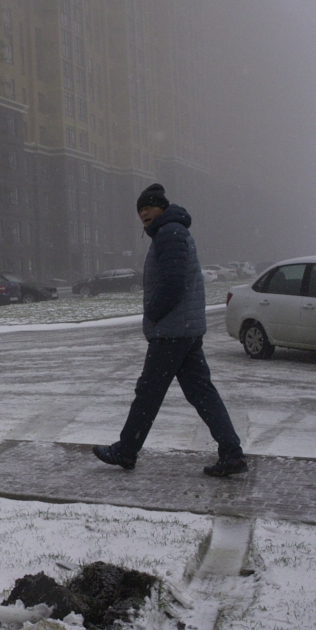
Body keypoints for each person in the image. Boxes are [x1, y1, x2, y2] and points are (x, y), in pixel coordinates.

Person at [92, 183, 247, 477]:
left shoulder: (169, 233)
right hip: (184, 330)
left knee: (149, 392)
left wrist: (152, 314)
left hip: (172, 331)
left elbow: (174, 283)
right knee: (202, 393)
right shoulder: (172, 232)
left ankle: (126, 450)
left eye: (149, 206)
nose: (144, 213)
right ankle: (232, 453)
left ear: (162, 207)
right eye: (140, 209)